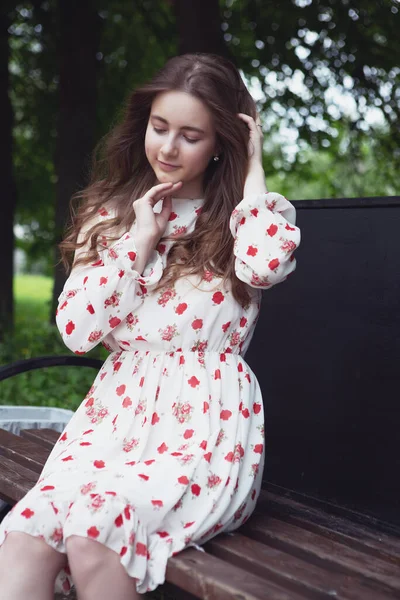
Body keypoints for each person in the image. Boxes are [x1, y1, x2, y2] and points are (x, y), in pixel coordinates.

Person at [0, 53, 300, 600]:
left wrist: (254, 169)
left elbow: (268, 265)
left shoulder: (244, 218)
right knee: (27, 531)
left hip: (202, 424)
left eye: (191, 135)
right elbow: (76, 330)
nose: (167, 148)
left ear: (221, 144)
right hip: (113, 419)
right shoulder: (113, 214)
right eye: (159, 128)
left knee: (96, 530)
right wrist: (138, 241)